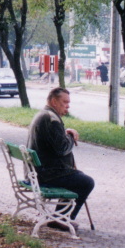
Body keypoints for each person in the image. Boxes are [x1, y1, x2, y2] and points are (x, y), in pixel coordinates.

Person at [28, 87, 95, 226]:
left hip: (37, 172)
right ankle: (62, 219)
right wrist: (71, 136)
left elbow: (54, 140)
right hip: (47, 174)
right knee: (86, 182)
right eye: (65, 102)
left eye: (68, 102)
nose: (68, 106)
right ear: (54, 101)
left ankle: (59, 217)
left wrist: (65, 133)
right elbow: (62, 148)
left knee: (76, 177)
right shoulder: (51, 119)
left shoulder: (44, 114)